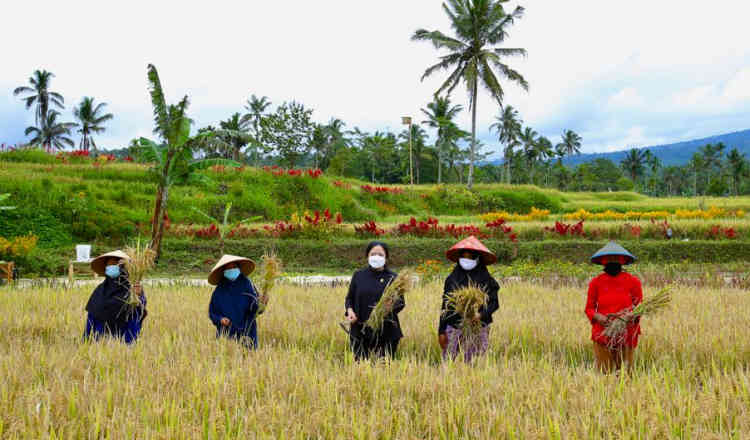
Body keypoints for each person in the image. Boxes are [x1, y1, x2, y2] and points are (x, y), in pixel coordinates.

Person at [439, 236, 500, 362]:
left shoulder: (486, 280)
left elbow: (494, 303)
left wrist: (480, 315)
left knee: (474, 362)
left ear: (477, 259)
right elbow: (445, 306)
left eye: (470, 257)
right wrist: (441, 331)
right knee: (449, 361)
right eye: (464, 257)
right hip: (453, 327)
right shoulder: (452, 279)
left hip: (478, 327)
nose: (466, 260)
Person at [585, 241, 643, 373]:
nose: (612, 262)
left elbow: (640, 306)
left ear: (622, 261)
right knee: (604, 374)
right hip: (603, 334)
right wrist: (600, 318)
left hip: (626, 333)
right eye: (609, 259)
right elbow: (589, 308)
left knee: (625, 374)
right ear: (603, 262)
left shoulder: (633, 281)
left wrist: (630, 315)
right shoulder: (596, 283)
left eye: (616, 259)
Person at [344, 241, 404, 360]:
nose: (376, 257)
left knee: (384, 369)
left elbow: (401, 302)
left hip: (386, 331)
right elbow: (349, 298)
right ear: (367, 256)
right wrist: (350, 311)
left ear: (386, 258)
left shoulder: (394, 278)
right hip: (360, 331)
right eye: (373, 254)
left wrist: (389, 307)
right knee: (360, 368)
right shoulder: (358, 275)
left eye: (380, 255)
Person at [84, 250, 147, 344]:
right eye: (108, 265)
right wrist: (86, 340)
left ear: (123, 267)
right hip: (101, 341)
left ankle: (129, 344)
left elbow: (141, 307)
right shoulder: (101, 289)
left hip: (124, 337)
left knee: (134, 311)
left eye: (114, 264)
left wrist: (140, 295)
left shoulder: (131, 289)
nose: (110, 267)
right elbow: (91, 317)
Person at [208, 254, 263, 349]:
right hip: (226, 334)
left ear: (238, 268)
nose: (231, 269)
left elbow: (256, 309)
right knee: (226, 360)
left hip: (247, 333)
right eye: (228, 268)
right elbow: (212, 312)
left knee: (249, 360)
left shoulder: (247, 285)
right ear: (224, 271)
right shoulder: (219, 290)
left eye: (234, 267)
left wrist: (263, 303)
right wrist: (220, 319)